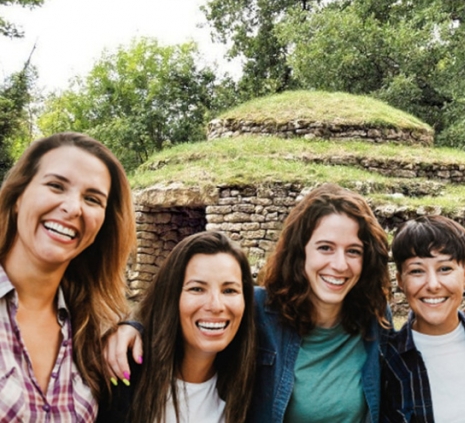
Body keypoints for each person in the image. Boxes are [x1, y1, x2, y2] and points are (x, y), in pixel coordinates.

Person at [105, 184, 391, 423]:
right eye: (325, 247)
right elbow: (181, 312)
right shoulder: (261, 309)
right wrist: (133, 326)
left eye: (354, 251)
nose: (339, 264)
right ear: (301, 252)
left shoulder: (376, 319)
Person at [0, 132, 136, 421]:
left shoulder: (95, 328)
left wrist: (135, 331)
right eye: (56, 186)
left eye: (92, 199)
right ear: (17, 197)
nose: (73, 208)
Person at [98, 230, 256, 423]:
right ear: (171, 296)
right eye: (197, 289)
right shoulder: (123, 373)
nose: (216, 305)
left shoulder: (255, 388)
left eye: (229, 290)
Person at [380, 215, 465, 423]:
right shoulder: (387, 361)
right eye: (417, 271)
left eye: (445, 269)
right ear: (401, 281)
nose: (433, 284)